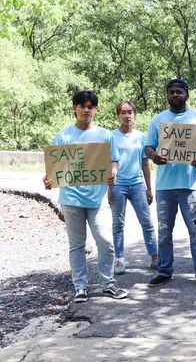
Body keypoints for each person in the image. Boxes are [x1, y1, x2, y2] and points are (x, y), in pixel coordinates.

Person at [43, 90, 127, 303]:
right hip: (71, 200)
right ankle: (80, 287)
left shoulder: (105, 135)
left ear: (96, 110)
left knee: (106, 242)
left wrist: (113, 172)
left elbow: (114, 160)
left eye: (91, 106)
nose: (86, 110)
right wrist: (49, 179)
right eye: (82, 106)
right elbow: (54, 168)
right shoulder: (63, 135)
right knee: (77, 245)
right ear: (74, 108)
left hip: (97, 199)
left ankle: (107, 284)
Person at [144, 78, 196, 289]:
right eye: (172, 92)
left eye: (179, 92)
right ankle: (164, 271)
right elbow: (148, 146)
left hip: (190, 186)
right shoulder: (157, 120)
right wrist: (153, 156)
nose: (175, 95)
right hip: (165, 186)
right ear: (167, 95)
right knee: (165, 231)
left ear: (187, 94)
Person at [109, 101, 158, 274]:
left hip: (137, 184)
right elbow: (107, 163)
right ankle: (119, 259)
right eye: (123, 112)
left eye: (130, 112)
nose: (127, 115)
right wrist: (108, 187)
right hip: (117, 185)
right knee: (118, 224)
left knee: (147, 222)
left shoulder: (141, 137)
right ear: (118, 115)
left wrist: (149, 188)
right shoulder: (111, 136)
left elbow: (145, 164)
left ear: (135, 115)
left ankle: (154, 257)